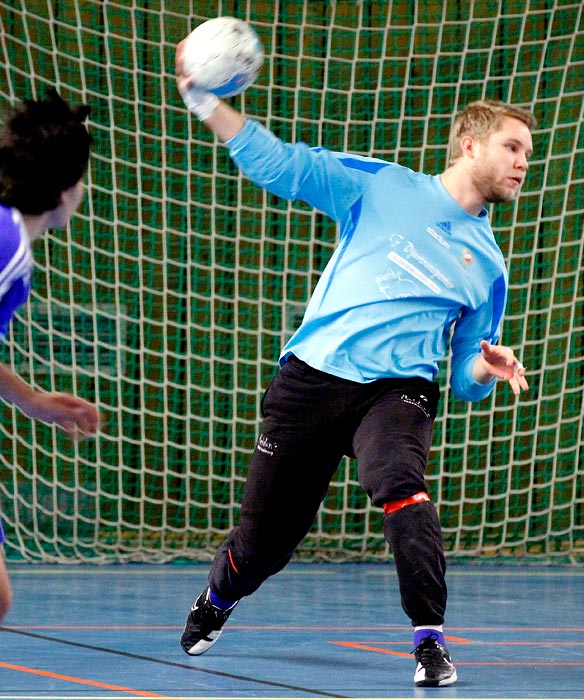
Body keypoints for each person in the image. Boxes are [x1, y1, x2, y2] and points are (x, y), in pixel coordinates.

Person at [175, 43, 535, 687]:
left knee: (400, 481)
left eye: (528, 155)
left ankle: (429, 642)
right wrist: (208, 105)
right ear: (470, 145)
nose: (522, 164)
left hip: (398, 393)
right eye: (512, 147)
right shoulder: (383, 185)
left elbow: (461, 375)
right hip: (311, 380)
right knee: (264, 544)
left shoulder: (490, 265)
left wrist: (486, 369)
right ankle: (218, 598)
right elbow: (284, 165)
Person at [0, 89, 101, 622]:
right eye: (82, 181)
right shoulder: (7, 248)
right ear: (64, 191)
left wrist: (34, 401)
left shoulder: (11, 242)